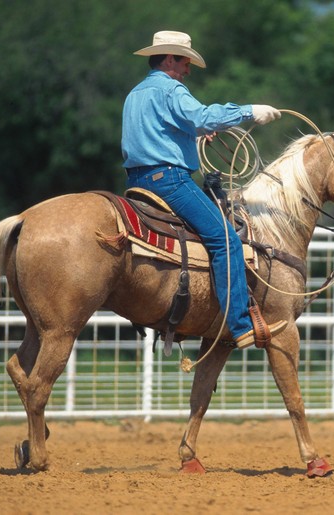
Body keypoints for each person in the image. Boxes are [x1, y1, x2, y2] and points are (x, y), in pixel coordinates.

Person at [121, 31, 288, 349]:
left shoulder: (135, 94)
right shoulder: (171, 89)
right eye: (185, 62)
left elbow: (161, 131)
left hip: (136, 183)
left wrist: (193, 137)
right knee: (226, 241)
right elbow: (201, 115)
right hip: (169, 181)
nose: (188, 70)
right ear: (170, 59)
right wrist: (248, 111)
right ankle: (240, 326)